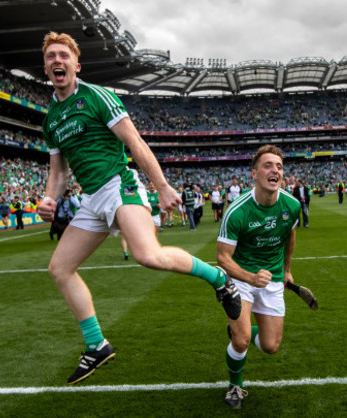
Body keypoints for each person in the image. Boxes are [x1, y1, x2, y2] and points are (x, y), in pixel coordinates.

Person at [37, 32, 241, 386]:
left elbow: (134, 140)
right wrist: (49, 198)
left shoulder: (97, 96)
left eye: (64, 55)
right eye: (51, 56)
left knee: (148, 254)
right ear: (45, 66)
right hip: (91, 199)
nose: (58, 61)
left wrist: (161, 187)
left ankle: (220, 279)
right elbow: (58, 172)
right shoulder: (51, 118)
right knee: (59, 268)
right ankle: (96, 344)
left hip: (119, 185)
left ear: (75, 64)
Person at [217, 145, 302, 409]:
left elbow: (290, 235)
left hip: (273, 279)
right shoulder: (237, 211)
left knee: (270, 346)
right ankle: (235, 385)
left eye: (278, 166)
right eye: (267, 165)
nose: (274, 170)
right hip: (240, 277)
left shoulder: (291, 205)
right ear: (254, 173)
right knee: (242, 341)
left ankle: (238, 329)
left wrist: (287, 270)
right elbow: (222, 259)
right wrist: (251, 278)